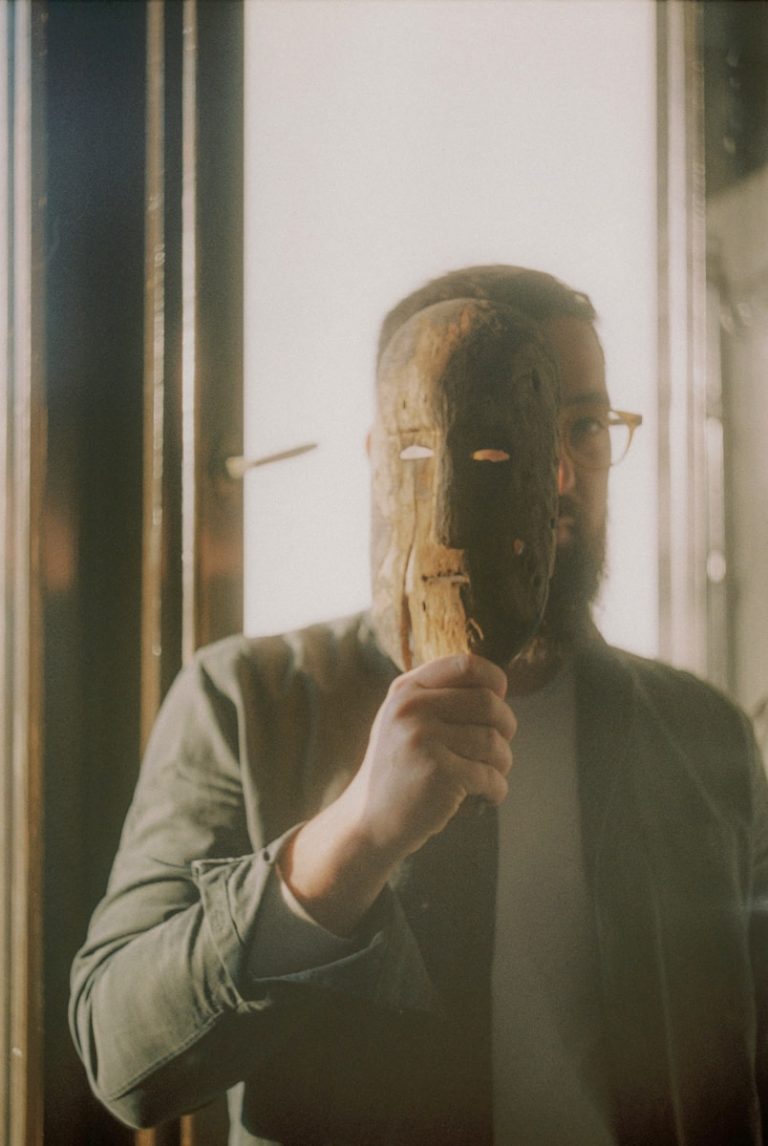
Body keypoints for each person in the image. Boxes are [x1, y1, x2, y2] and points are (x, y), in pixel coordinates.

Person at [70, 266, 768, 1146]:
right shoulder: (244, 703)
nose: (555, 472)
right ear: (389, 457)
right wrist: (350, 841)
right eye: (492, 431)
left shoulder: (704, 737)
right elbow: (119, 1056)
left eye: (585, 426)